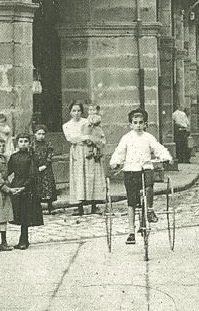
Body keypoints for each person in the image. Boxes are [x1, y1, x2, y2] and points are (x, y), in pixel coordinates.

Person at [109, 108, 172, 245]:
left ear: (145, 124)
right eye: (135, 123)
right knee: (131, 202)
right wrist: (115, 162)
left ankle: (149, 210)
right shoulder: (126, 138)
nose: (138, 125)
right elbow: (119, 152)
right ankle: (131, 232)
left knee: (149, 187)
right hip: (131, 170)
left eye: (141, 122)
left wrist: (166, 157)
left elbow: (158, 148)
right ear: (130, 124)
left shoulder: (148, 137)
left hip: (145, 168)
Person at [7, 132, 44, 249]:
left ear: (29, 143)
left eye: (26, 141)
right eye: (21, 141)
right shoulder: (13, 157)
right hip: (16, 185)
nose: (23, 144)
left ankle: (24, 240)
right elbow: (8, 171)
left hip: (28, 187)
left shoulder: (32, 157)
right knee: (18, 213)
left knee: (25, 214)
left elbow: (33, 175)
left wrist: (24, 187)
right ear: (17, 143)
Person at [63, 101, 97, 217]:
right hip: (77, 151)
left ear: (82, 112)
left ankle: (93, 205)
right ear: (70, 112)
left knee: (90, 176)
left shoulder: (87, 122)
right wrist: (84, 137)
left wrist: (88, 139)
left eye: (78, 110)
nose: (76, 113)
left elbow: (94, 135)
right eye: (74, 111)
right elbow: (71, 139)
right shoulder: (66, 125)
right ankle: (79, 206)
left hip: (88, 150)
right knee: (78, 177)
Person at [82, 105, 107, 214]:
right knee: (88, 178)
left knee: (96, 178)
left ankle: (95, 203)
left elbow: (101, 139)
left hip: (96, 152)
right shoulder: (86, 123)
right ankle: (87, 201)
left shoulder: (98, 126)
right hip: (88, 152)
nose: (91, 112)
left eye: (93, 110)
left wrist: (95, 141)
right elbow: (84, 135)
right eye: (90, 110)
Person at [31, 125, 58, 213]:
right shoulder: (32, 145)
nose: (41, 136)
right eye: (39, 134)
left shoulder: (48, 144)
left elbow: (50, 155)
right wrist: (35, 167)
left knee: (48, 185)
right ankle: (37, 206)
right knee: (37, 186)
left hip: (46, 169)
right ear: (35, 134)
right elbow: (30, 156)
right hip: (36, 169)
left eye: (43, 134)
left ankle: (50, 205)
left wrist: (46, 165)